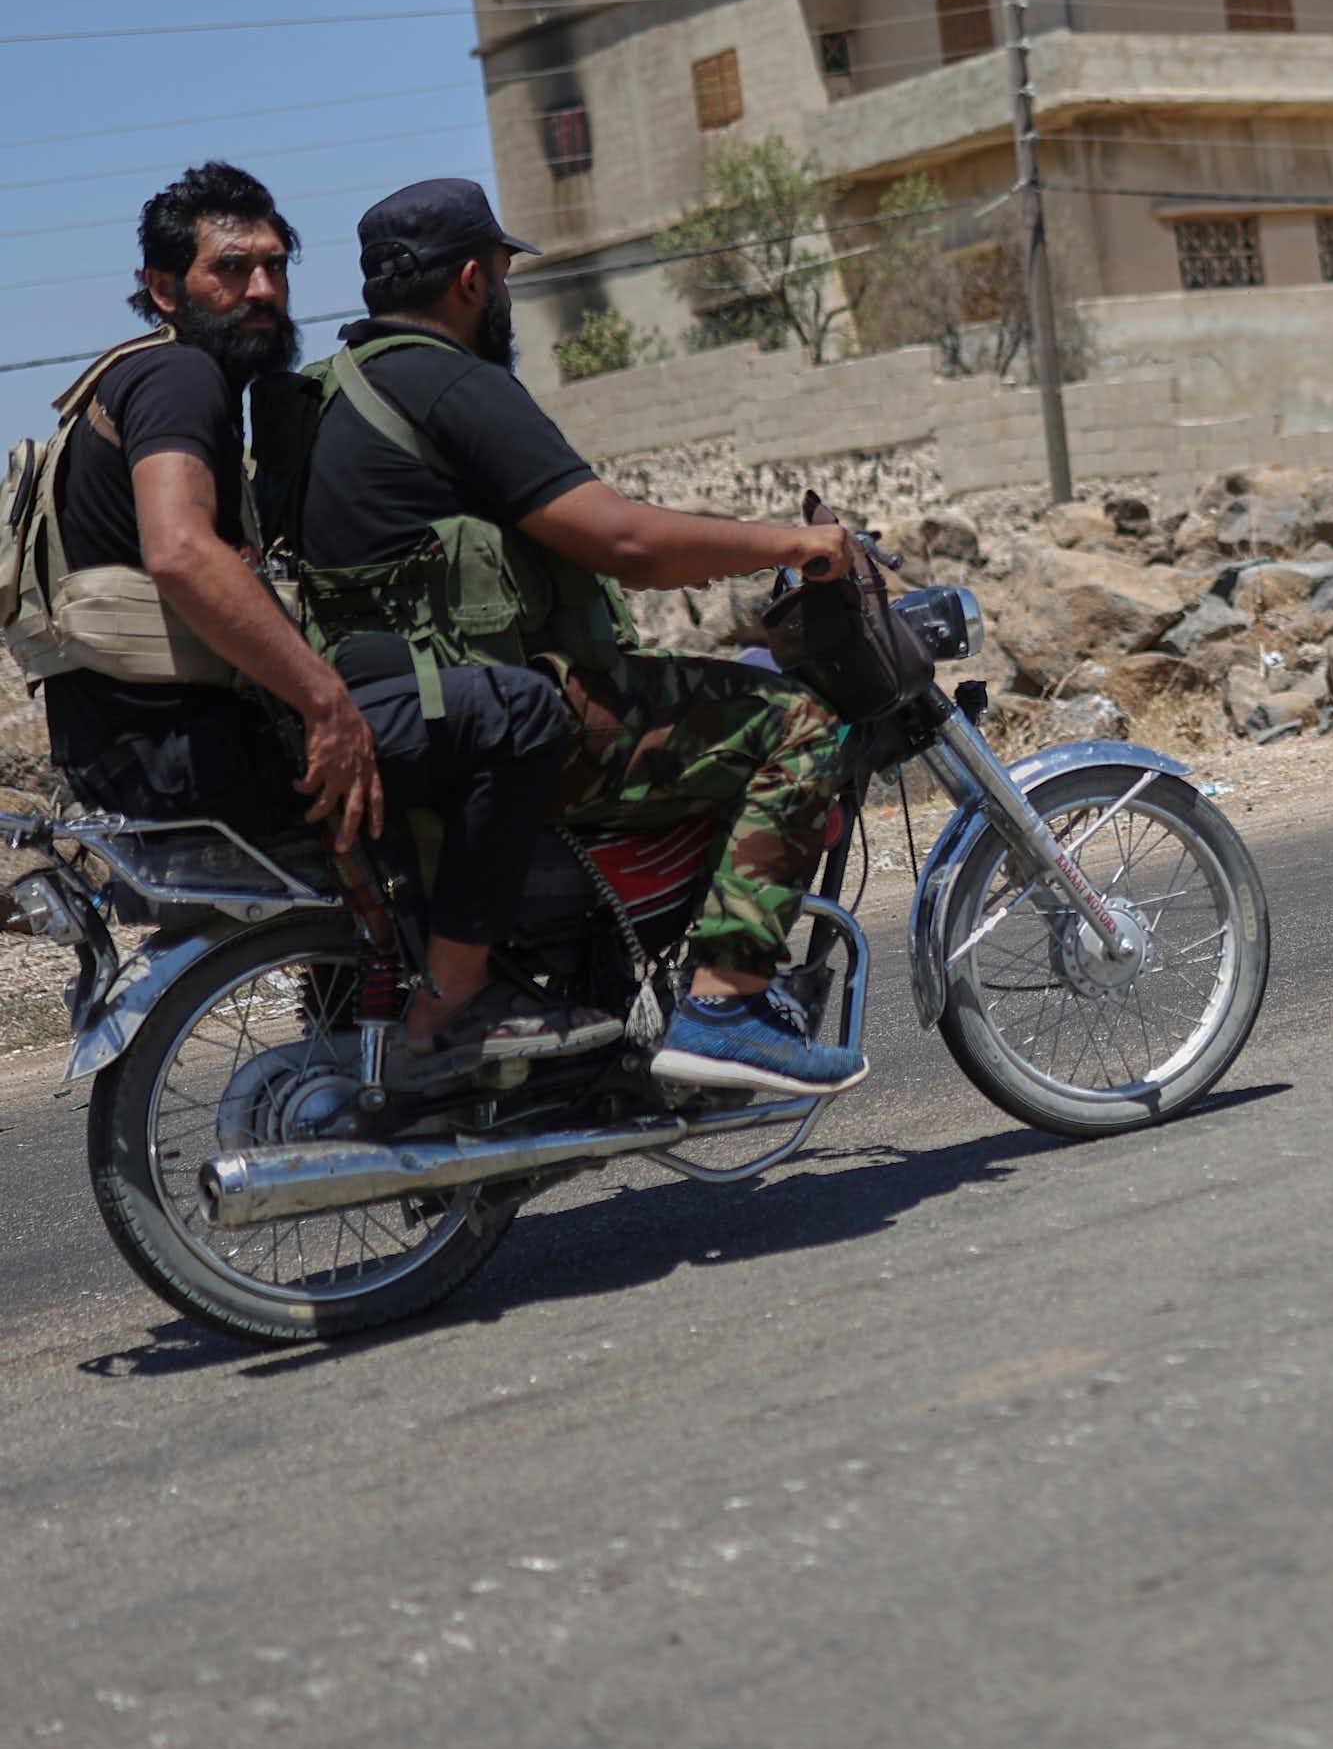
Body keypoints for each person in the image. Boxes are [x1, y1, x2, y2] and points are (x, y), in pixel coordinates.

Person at [287, 179, 869, 1097]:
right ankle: (725, 1007)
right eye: (507, 273)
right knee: (796, 725)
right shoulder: (454, 382)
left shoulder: (335, 393)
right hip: (486, 713)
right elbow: (625, 542)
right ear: (474, 279)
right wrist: (791, 542)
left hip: (399, 705)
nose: (508, 295)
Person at [27, 163, 383, 849]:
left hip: (129, 753)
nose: (263, 290)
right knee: (498, 720)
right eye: (231, 269)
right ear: (163, 288)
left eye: (276, 267)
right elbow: (180, 551)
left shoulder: (140, 375)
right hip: (182, 755)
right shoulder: (180, 376)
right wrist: (326, 702)